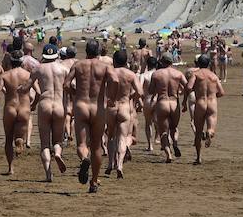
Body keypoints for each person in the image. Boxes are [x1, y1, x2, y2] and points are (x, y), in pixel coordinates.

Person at [63, 39, 112, 192]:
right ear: (98, 52)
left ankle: (84, 159)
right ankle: (95, 181)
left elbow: (66, 84)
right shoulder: (105, 66)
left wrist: (75, 93)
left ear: (86, 51)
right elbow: (115, 80)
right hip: (97, 107)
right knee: (97, 146)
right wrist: (111, 97)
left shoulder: (78, 65)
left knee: (82, 144)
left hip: (81, 105)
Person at [29, 44, 70, 181]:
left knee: (45, 143)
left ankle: (48, 173)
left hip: (44, 104)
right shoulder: (64, 69)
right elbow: (72, 86)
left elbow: (26, 87)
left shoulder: (38, 68)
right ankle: (58, 153)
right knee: (57, 140)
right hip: (59, 105)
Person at [104, 49, 141, 178]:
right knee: (122, 138)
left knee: (111, 136)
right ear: (126, 61)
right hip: (125, 107)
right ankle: (119, 165)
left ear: (114, 60)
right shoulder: (130, 74)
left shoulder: (110, 72)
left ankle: (110, 164)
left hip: (111, 107)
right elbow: (140, 92)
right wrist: (132, 98)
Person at [186, 54, 225, 165]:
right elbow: (222, 92)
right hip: (212, 103)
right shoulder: (213, 76)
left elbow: (189, 87)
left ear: (198, 63)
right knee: (211, 128)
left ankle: (198, 158)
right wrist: (213, 96)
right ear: (208, 64)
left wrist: (194, 91)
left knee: (198, 132)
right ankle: (209, 132)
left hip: (201, 102)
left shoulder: (196, 74)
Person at [149, 52, 187, 164]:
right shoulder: (178, 74)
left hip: (162, 103)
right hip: (174, 103)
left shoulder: (156, 74)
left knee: (163, 131)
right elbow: (188, 87)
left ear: (162, 61)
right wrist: (183, 98)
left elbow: (151, 91)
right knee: (174, 128)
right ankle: (175, 142)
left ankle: (168, 155)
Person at [1, 50, 33, 176]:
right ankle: (20, 140)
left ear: (10, 61)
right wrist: (34, 104)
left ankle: (10, 168)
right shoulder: (28, 75)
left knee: (8, 138)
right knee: (19, 135)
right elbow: (39, 92)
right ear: (21, 61)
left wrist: (6, 90)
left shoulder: (5, 75)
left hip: (10, 108)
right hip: (24, 108)